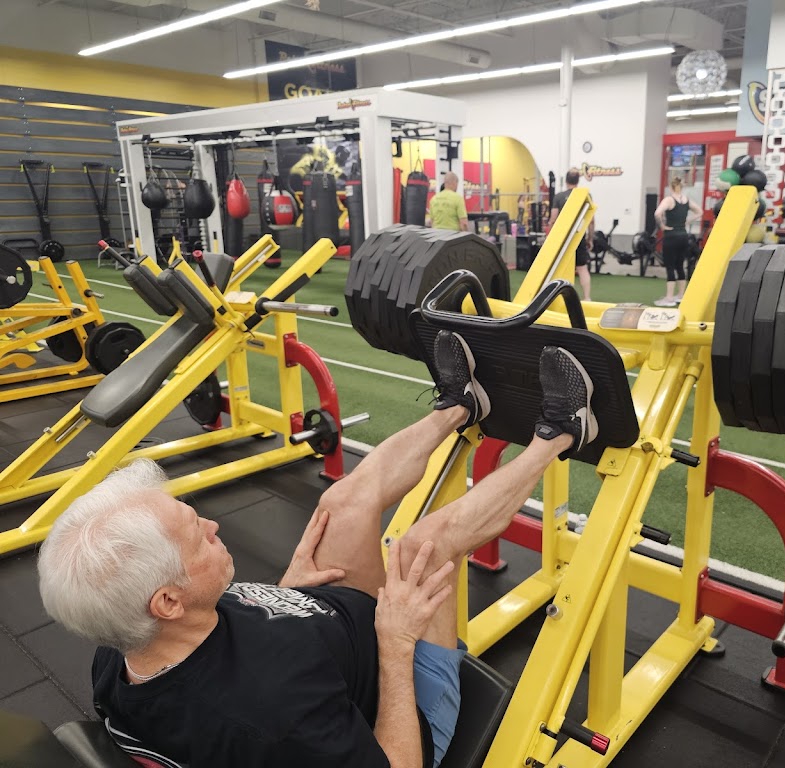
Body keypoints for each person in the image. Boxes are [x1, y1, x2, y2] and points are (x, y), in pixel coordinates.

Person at [37, 331, 600, 768]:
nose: (212, 525)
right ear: (167, 601)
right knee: (424, 546)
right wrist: (396, 642)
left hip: (331, 632)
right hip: (402, 695)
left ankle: (460, 406)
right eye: (196, 538)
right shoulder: (273, 715)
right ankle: (563, 433)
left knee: (345, 500)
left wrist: (283, 596)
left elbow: (222, 654)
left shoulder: (122, 647)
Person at [653, 177, 702, 307]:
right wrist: (687, 221)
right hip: (683, 236)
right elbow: (700, 212)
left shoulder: (669, 200)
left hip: (671, 236)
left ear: (671, 187)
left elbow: (657, 213)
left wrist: (662, 226)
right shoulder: (686, 200)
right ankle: (681, 295)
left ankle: (669, 298)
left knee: (670, 266)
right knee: (680, 265)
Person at [549, 169, 594, 302]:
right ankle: (587, 298)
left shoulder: (558, 197)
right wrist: (590, 238)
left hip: (563, 237)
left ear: (566, 181)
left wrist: (551, 239)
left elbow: (553, 219)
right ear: (578, 181)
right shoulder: (585, 196)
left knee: (559, 268)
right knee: (582, 268)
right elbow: (591, 221)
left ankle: (560, 299)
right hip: (578, 236)